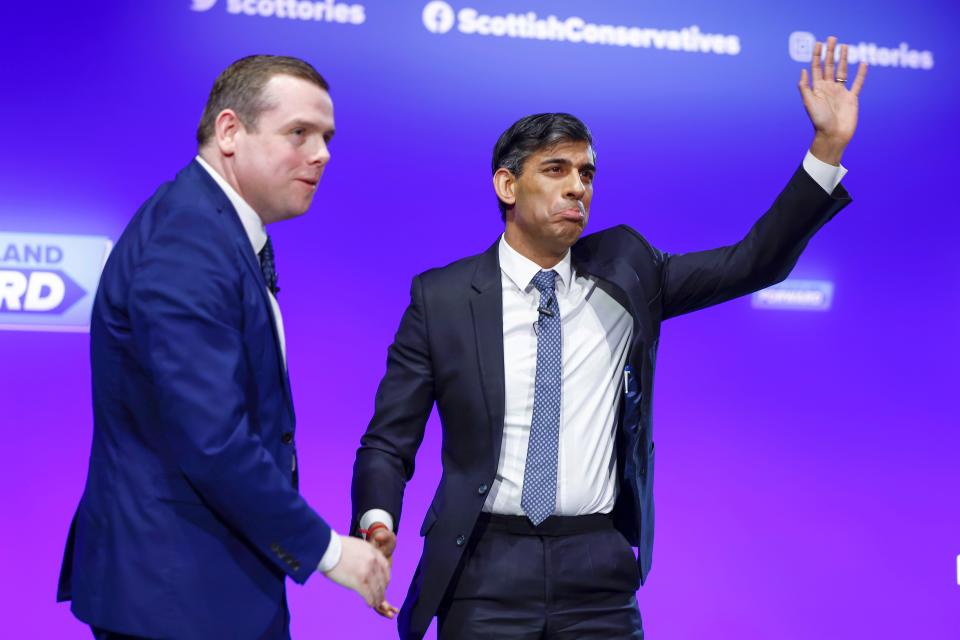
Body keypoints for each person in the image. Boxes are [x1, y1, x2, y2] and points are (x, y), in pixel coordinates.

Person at [352, 37, 867, 639]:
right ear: (507, 186)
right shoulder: (440, 297)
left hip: (597, 566)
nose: (578, 187)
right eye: (556, 169)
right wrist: (377, 517)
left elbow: (753, 262)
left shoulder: (628, 271)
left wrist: (825, 149)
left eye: (586, 173)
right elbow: (389, 440)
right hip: (483, 566)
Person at [57, 55, 392, 639]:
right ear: (230, 131)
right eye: (299, 133)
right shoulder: (188, 239)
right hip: (175, 596)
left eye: (326, 137)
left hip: (204, 586)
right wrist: (331, 552)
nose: (322, 154)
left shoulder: (214, 228)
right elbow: (211, 439)